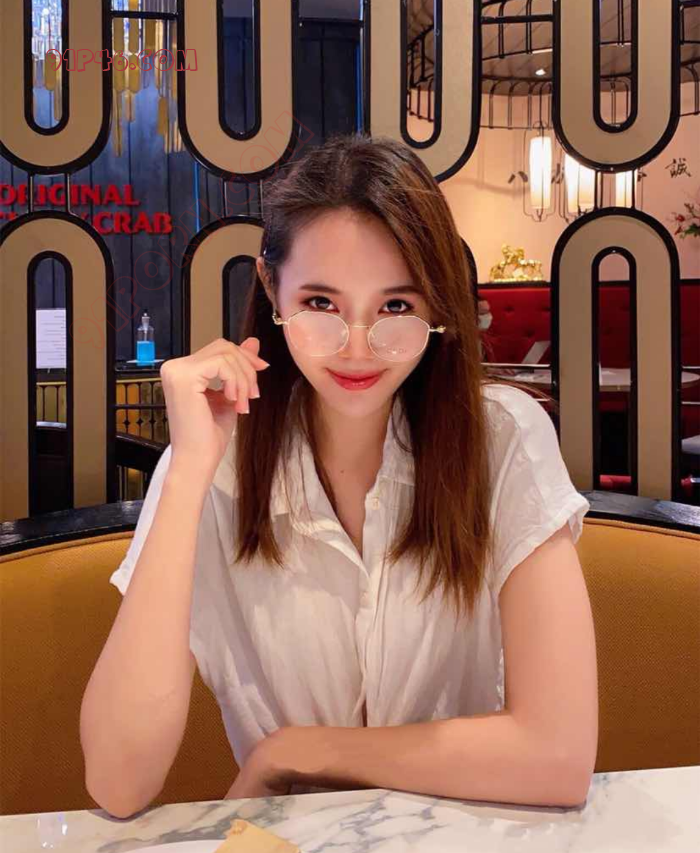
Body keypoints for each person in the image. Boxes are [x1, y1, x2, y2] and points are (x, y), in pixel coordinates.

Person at [81, 133, 596, 817]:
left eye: (396, 307)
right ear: (272, 289)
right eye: (321, 304)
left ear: (437, 306)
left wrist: (296, 751)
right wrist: (185, 473)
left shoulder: (501, 439)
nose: (357, 347)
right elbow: (118, 781)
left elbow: (558, 756)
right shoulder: (216, 466)